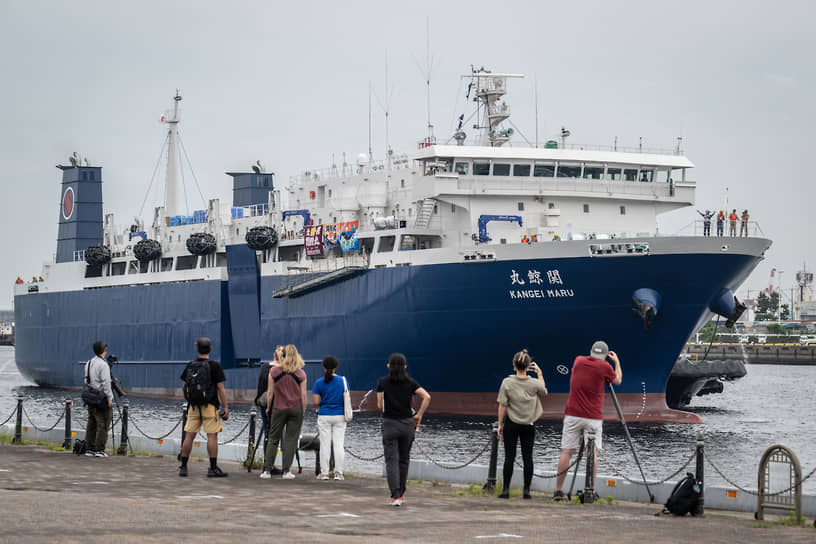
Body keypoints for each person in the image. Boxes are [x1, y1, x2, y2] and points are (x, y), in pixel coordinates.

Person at [553, 341, 622, 501]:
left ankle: (558, 491)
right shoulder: (605, 367)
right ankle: (589, 490)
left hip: (572, 414)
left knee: (566, 452)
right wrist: (616, 362)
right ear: (605, 355)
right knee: (591, 453)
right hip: (593, 417)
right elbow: (617, 380)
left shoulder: (578, 361)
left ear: (591, 351)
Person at [376, 353, 431, 507]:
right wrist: (419, 414)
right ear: (405, 367)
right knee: (404, 460)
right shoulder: (411, 383)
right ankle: (402, 493)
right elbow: (427, 397)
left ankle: (396, 496)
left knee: (391, 460)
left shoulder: (382, 382)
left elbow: (380, 406)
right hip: (407, 424)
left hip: (389, 424)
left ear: (388, 366)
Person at [496, 349, 548, 500]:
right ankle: (526, 491)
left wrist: (500, 424)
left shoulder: (507, 382)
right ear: (528, 366)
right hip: (528, 424)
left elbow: (502, 405)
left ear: (514, 365)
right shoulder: (533, 383)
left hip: (511, 423)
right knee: (528, 458)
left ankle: (506, 490)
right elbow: (544, 391)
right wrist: (539, 373)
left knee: (509, 457)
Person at [178, 337, 229, 477]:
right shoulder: (214, 365)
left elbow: (185, 385)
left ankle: (183, 467)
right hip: (210, 405)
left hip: (193, 406)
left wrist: (189, 398)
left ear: (197, 349)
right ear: (210, 349)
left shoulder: (191, 365)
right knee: (212, 436)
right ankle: (212, 468)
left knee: (189, 436)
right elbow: (220, 388)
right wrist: (225, 406)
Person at [261, 344, 307, 480]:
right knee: (291, 440)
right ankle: (286, 471)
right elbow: (303, 396)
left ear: (283, 355)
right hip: (295, 409)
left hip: (278, 409)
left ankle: (267, 471)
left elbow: (270, 393)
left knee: (273, 439)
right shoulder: (301, 373)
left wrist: (269, 407)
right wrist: (303, 410)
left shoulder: (274, 371)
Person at [312, 355, 348, 480]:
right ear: (336, 367)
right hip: (340, 415)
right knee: (339, 445)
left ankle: (324, 473)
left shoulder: (319, 383)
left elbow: (316, 402)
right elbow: (346, 397)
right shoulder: (343, 381)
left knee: (325, 445)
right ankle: (339, 473)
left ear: (323, 367)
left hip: (324, 415)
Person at [84, 341, 113, 457]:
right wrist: (110, 398)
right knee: (104, 423)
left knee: (92, 423)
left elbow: (86, 380)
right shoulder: (103, 365)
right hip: (101, 398)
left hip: (90, 397)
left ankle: (89, 448)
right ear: (104, 350)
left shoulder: (88, 363)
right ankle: (99, 449)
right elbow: (106, 383)